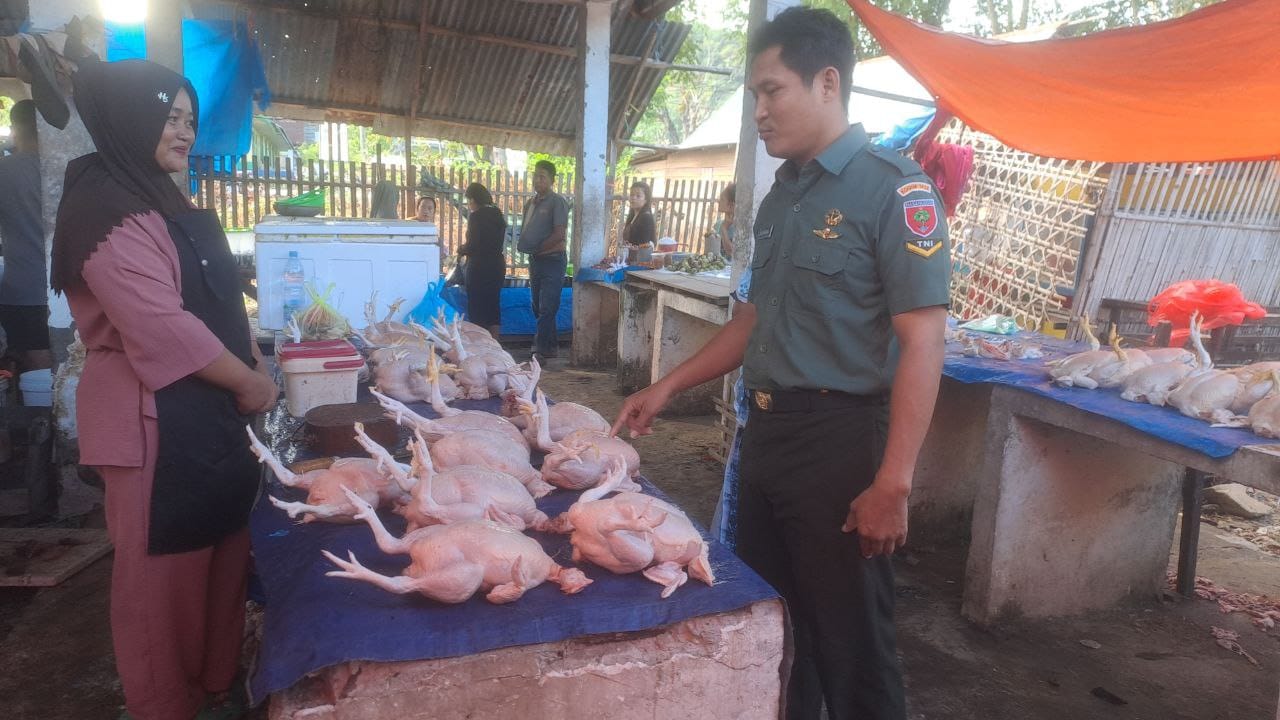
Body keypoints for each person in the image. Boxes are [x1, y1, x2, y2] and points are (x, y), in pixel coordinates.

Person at [612, 9, 950, 720]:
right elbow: (753, 322)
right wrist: (666, 385)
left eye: (772, 91)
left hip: (840, 445)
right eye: (754, 96)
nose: (760, 112)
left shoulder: (893, 189)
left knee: (853, 646)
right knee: (777, 632)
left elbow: (924, 342)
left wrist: (893, 482)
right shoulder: (782, 197)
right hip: (766, 440)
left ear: (827, 83)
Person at [50, 60, 279, 720]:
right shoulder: (103, 209)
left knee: (221, 550)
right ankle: (164, 705)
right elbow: (160, 326)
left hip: (210, 410)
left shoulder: (160, 194)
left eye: (189, 119)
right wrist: (250, 382)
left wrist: (251, 358)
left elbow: (215, 295)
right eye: (168, 116)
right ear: (131, 117)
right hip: (150, 415)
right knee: (163, 575)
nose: (183, 131)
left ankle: (214, 684)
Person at [0, 99, 53, 372]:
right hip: (66, 289)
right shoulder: (63, 167)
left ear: (15, 128)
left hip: (21, 289)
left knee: (31, 364)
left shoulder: (4, 171)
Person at [517, 159, 569, 363]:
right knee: (537, 306)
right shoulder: (530, 203)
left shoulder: (557, 202)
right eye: (535, 176)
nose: (537, 180)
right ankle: (552, 346)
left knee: (548, 306)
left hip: (553, 260)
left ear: (552, 180)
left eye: (542, 176)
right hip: (536, 260)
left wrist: (539, 248)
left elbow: (559, 234)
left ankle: (539, 349)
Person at [459, 182, 506, 338]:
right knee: (493, 306)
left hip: (479, 267)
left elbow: (473, 245)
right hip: (497, 265)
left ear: (473, 199)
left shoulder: (476, 216)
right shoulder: (497, 213)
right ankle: (495, 344)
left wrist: (461, 250)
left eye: (468, 201)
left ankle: (480, 344)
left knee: (477, 307)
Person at [621, 181, 656, 258]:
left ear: (646, 200)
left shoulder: (646, 217)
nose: (633, 198)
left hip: (640, 261)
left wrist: (632, 248)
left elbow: (645, 245)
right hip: (629, 258)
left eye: (638, 196)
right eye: (631, 195)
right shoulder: (632, 216)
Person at [713, 182, 737, 259]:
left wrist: (724, 228)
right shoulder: (718, 224)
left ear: (732, 205)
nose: (718, 201)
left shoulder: (739, 228)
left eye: (722, 199)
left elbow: (732, 253)